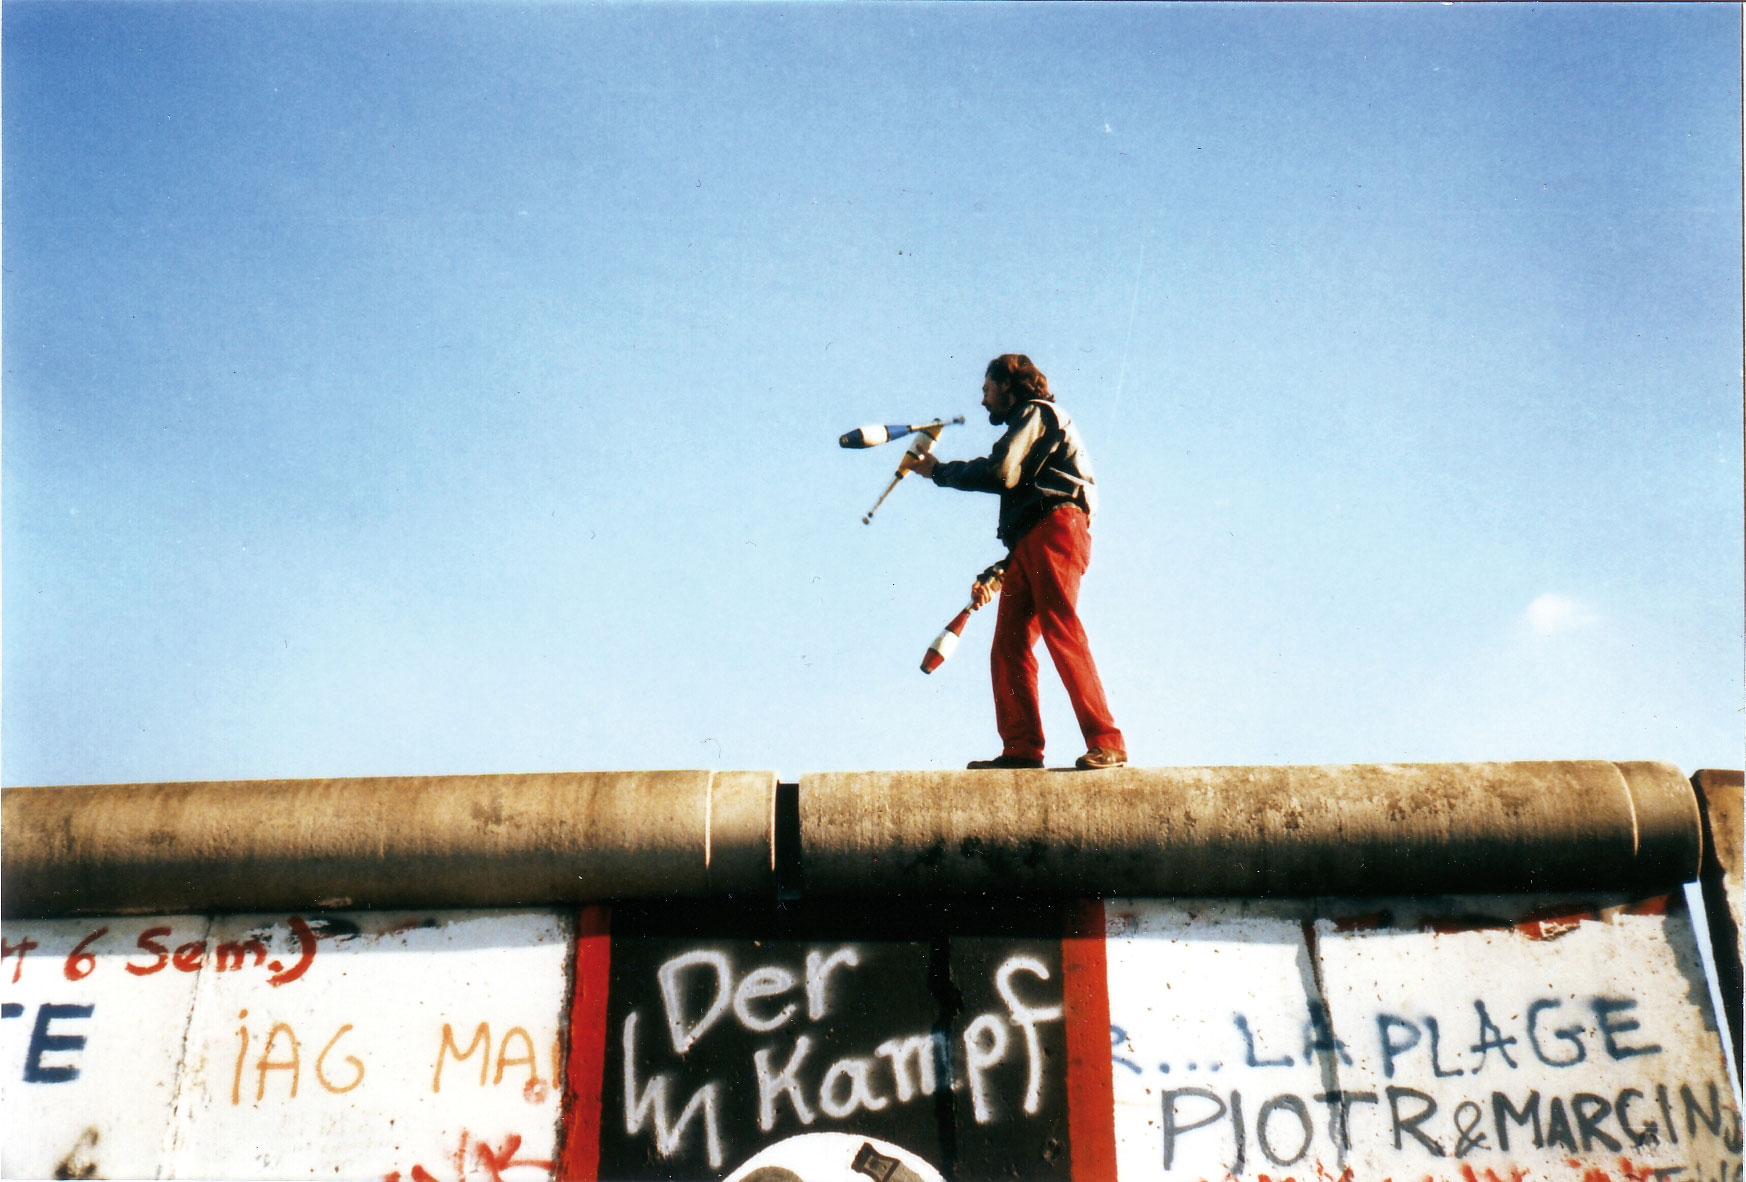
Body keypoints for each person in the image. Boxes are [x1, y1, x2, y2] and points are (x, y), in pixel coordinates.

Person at [909, 354, 1128, 770]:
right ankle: (1022, 750)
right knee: (1008, 647)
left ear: (1009, 385)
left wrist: (938, 471)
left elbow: (1003, 473)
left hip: (1058, 526)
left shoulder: (1037, 413)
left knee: (1060, 628)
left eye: (987, 390)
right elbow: (1027, 502)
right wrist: (1002, 568)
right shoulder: (1029, 423)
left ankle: (1107, 741)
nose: (983, 400)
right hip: (1034, 538)